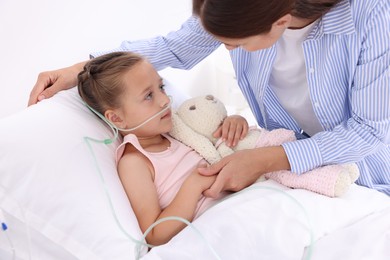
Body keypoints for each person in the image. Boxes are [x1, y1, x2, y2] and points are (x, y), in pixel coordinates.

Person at [29, 0, 390, 196]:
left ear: (280, 22)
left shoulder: (372, 14)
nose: (227, 48)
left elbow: (368, 131)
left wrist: (265, 159)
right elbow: (175, 47)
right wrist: (84, 67)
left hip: (373, 169)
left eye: (233, 44)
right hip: (291, 174)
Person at [77, 51, 248, 245]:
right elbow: (154, 234)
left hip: (242, 205)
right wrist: (193, 185)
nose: (165, 100)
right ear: (117, 118)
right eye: (149, 95)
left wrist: (233, 122)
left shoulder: (179, 129)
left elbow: (213, 133)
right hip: (216, 231)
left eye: (161, 87)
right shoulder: (135, 162)